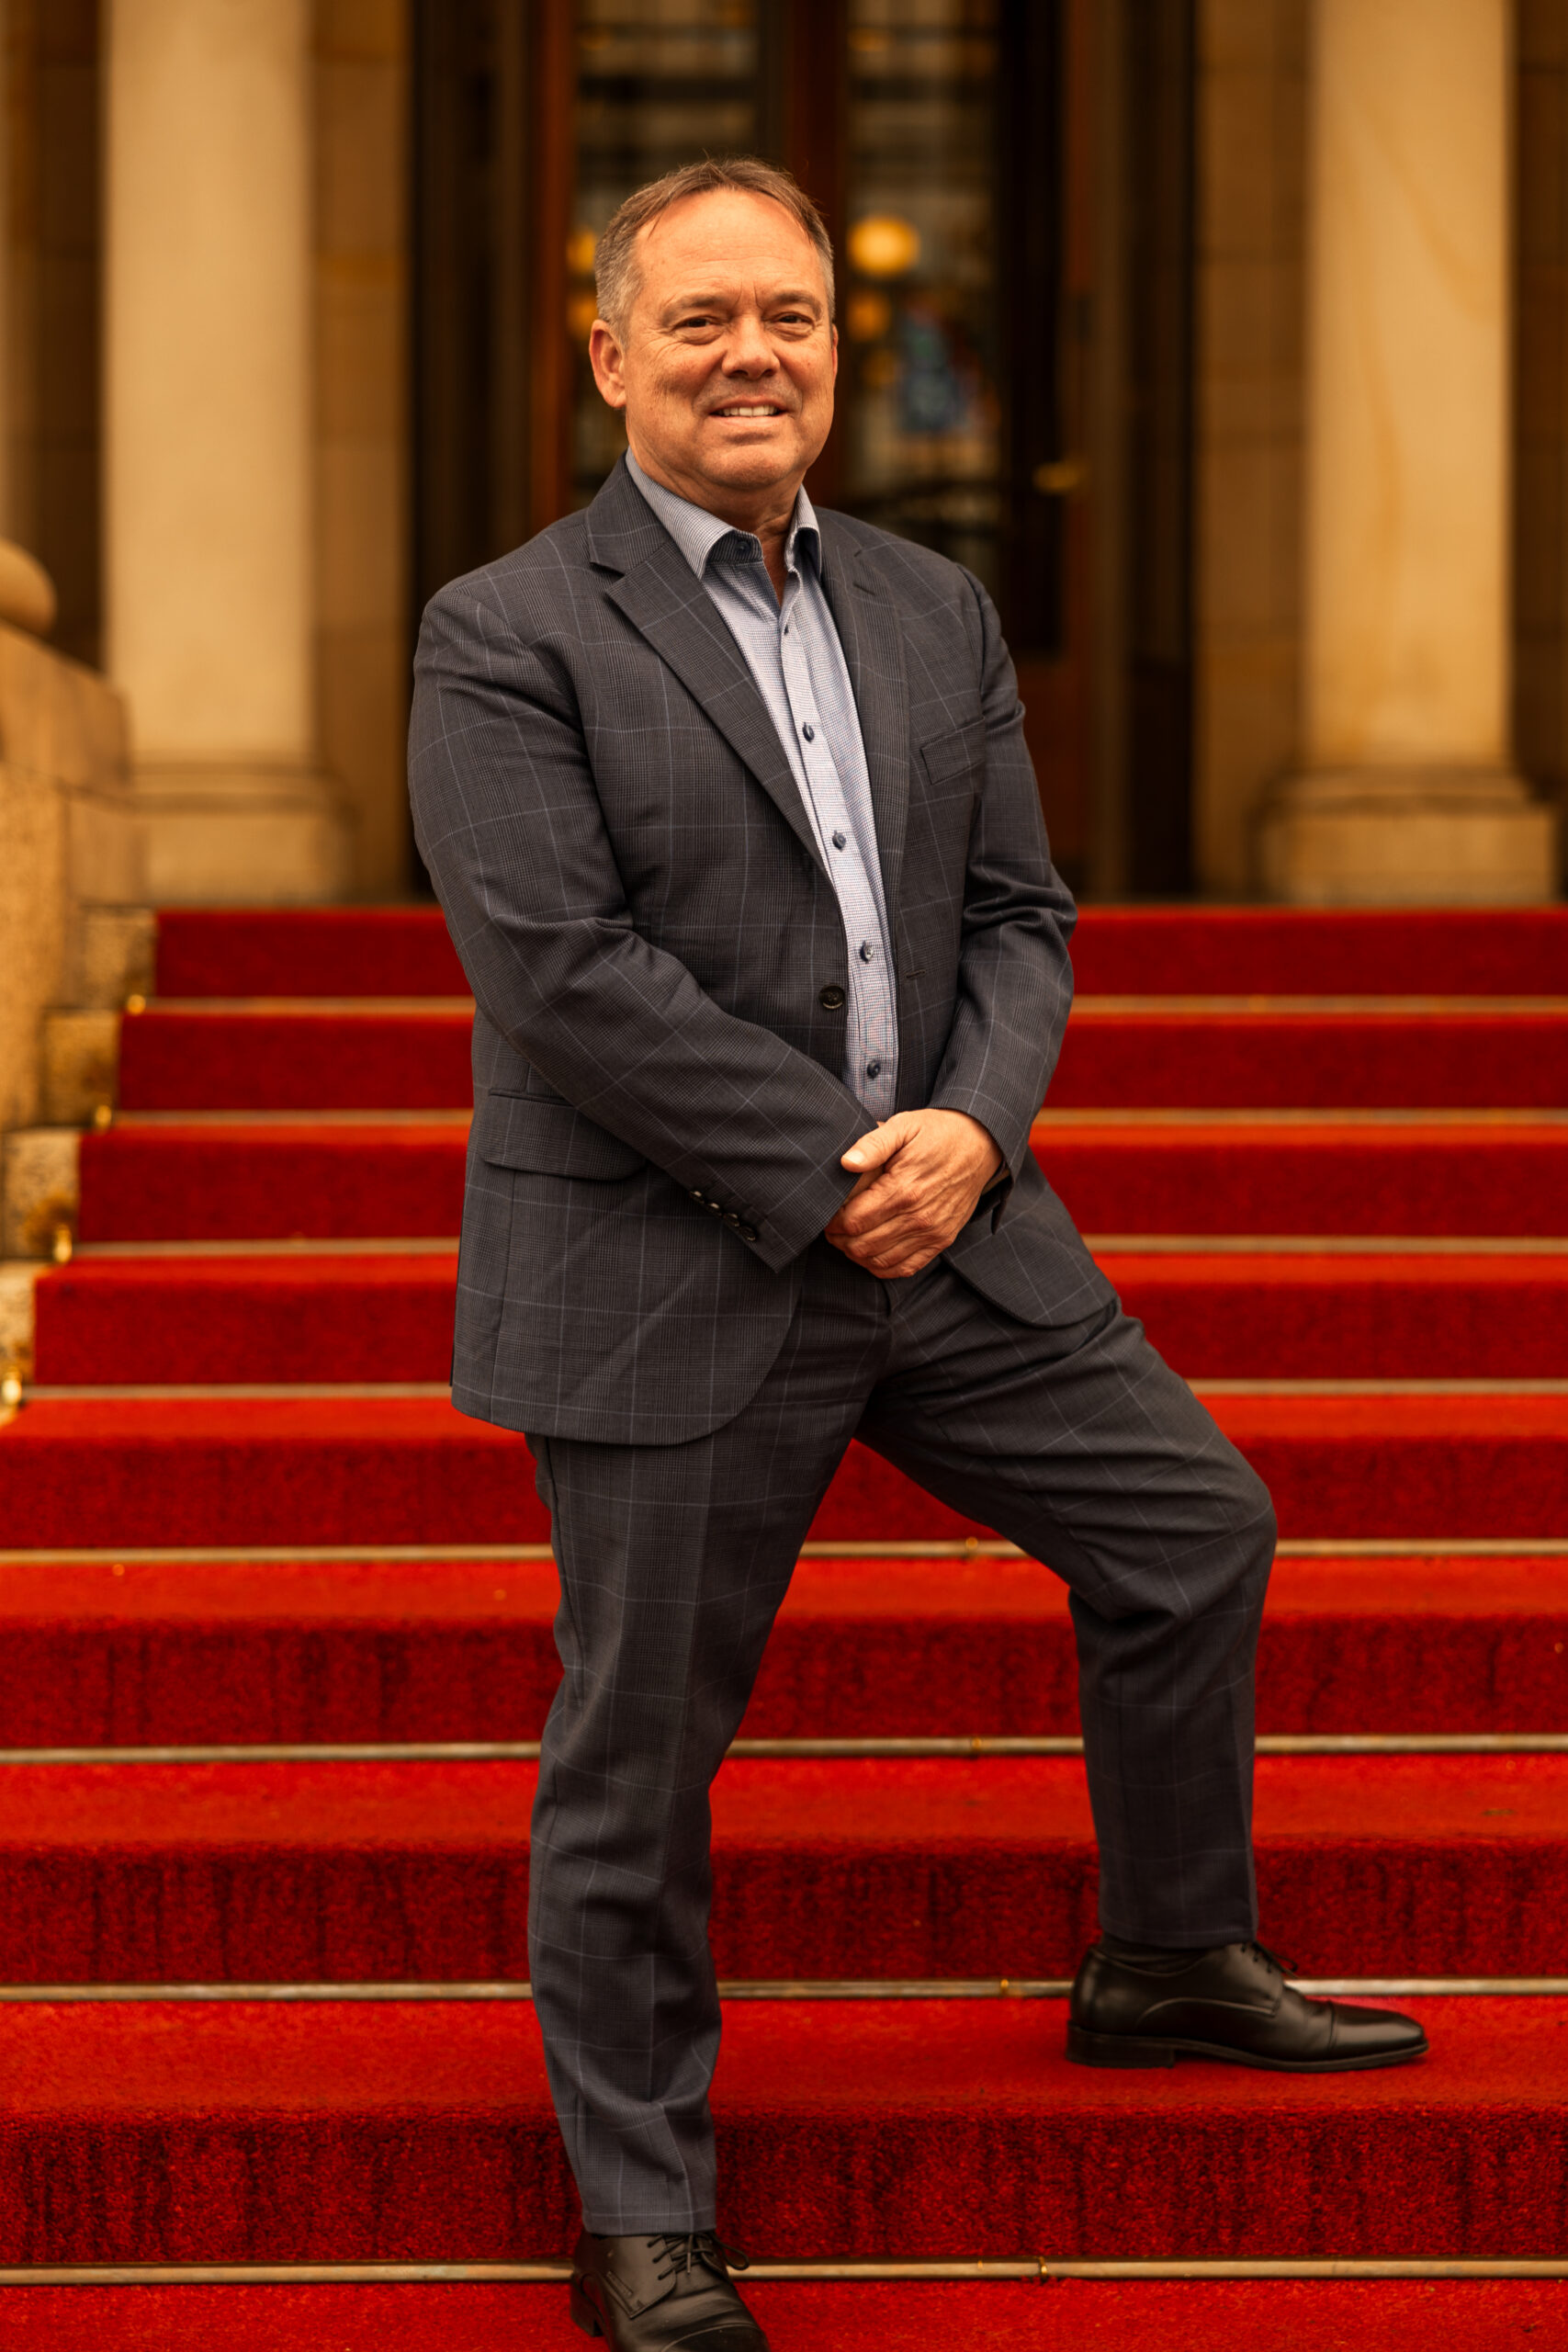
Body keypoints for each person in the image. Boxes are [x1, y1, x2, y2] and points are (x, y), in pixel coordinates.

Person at [409, 156, 1425, 2352]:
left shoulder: (928, 604)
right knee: (637, 1758)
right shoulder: (506, 627)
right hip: (679, 1258)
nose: (749, 353)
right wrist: (837, 1164)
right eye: (696, 322)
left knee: (1191, 1530)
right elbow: (560, 967)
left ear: (835, 349)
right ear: (606, 356)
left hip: (955, 1230)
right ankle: (643, 2202)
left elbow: (1017, 916)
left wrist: (966, 1127)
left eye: (785, 315)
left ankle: (1164, 1955)